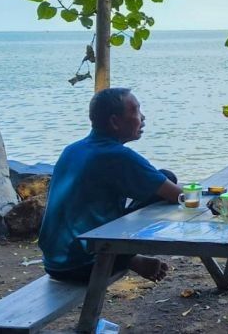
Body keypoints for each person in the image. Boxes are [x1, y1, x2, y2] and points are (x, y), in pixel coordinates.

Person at [39, 87, 182, 283]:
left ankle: (129, 258)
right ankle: (126, 258)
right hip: (84, 264)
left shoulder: (72, 149)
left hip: (54, 261)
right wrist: (215, 196)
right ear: (115, 122)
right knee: (166, 186)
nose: (143, 117)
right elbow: (178, 196)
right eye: (136, 111)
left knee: (163, 179)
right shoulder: (116, 155)